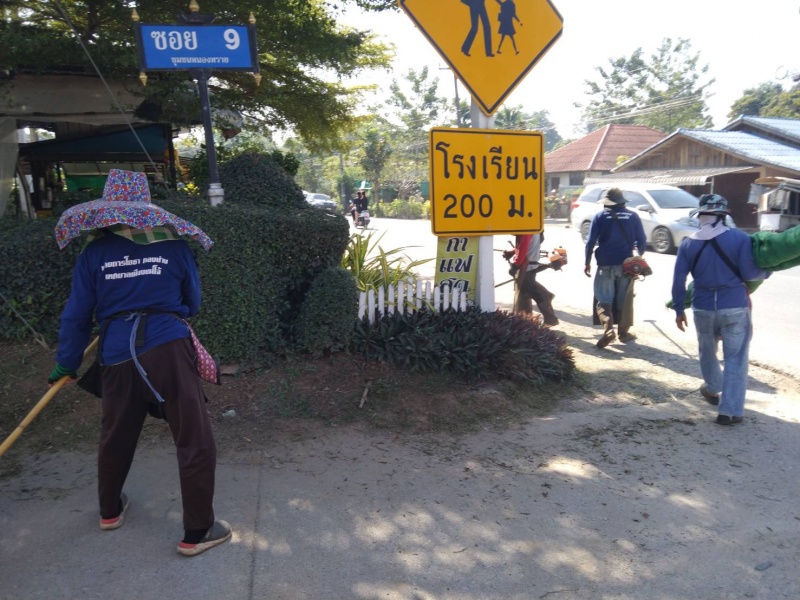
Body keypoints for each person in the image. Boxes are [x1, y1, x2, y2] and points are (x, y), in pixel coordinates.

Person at [48, 169, 231, 556]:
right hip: (168, 349)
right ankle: (198, 531)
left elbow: (76, 316)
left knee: (116, 433)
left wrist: (67, 363)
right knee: (193, 438)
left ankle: (110, 510)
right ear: (145, 207)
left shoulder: (93, 252)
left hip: (115, 353)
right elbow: (193, 303)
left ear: (107, 209)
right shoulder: (174, 246)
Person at [671, 194, 770, 426]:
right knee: (735, 359)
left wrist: (678, 310)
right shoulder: (739, 238)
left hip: (702, 307)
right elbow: (749, 273)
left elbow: (678, 281)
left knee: (707, 351)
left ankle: (713, 387)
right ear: (723, 216)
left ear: (700, 216)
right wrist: (767, 271)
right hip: (733, 305)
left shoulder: (687, 244)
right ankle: (729, 412)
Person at [584, 187, 647, 348]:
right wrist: (638, 258)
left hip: (605, 264)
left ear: (606, 203)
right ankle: (623, 334)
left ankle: (608, 330)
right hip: (626, 265)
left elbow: (590, 242)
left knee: (603, 300)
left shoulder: (600, 216)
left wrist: (587, 262)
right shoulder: (633, 216)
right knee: (624, 300)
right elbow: (642, 241)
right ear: (622, 202)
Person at [504, 232, 560, 325]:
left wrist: (516, 264)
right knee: (525, 294)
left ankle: (550, 319)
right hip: (529, 265)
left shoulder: (527, 229)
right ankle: (526, 320)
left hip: (526, 267)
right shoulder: (535, 228)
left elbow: (524, 247)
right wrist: (513, 252)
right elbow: (525, 244)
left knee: (536, 293)